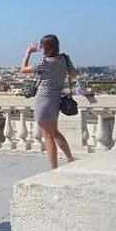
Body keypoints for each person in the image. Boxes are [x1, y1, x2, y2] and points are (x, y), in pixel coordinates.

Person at [19, 34, 77, 169]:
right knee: (55, 132)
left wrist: (28, 53)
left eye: (42, 46)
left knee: (48, 136)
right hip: (56, 98)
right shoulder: (65, 59)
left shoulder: (44, 62)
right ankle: (70, 158)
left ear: (47, 48)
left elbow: (23, 69)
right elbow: (74, 73)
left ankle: (54, 168)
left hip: (44, 98)